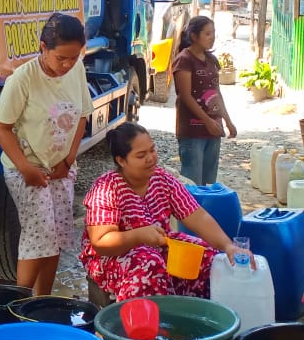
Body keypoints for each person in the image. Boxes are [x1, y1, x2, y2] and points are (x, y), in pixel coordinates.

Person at [80, 123, 249, 300]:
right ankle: (149, 323)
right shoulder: (106, 188)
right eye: (141, 155)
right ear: (121, 160)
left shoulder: (162, 179)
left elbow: (198, 216)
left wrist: (228, 246)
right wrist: (139, 236)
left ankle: (197, 314)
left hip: (157, 247)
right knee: (150, 265)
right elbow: (100, 242)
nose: (151, 158)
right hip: (111, 258)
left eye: (152, 150)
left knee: (206, 256)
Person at [0, 12, 93, 296]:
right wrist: (26, 168)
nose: (67, 64)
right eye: (61, 58)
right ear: (43, 48)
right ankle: (17, 304)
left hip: (60, 168)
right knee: (39, 236)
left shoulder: (77, 70)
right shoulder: (22, 80)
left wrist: (68, 160)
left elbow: (83, 116)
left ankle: (42, 301)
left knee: (59, 237)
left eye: (74, 57)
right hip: (25, 169)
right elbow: (2, 128)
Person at [171, 16, 236, 185]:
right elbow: (185, 96)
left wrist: (227, 121)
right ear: (194, 36)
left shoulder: (212, 60)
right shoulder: (184, 60)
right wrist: (206, 120)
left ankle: (205, 212)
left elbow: (217, 93)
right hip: (192, 131)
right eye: (207, 33)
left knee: (209, 183)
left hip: (213, 129)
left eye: (213, 33)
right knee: (193, 183)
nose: (212, 37)